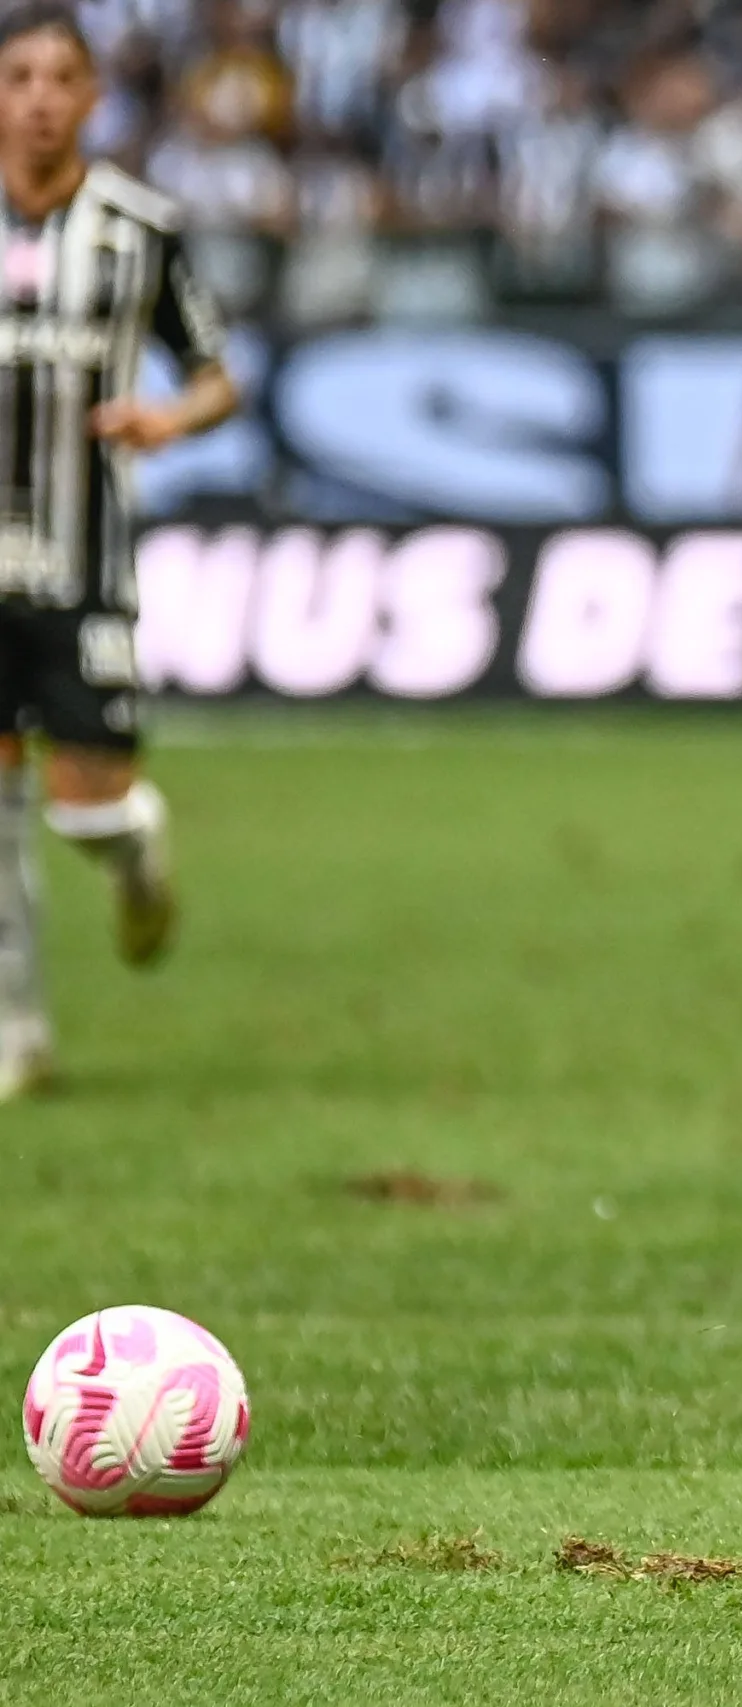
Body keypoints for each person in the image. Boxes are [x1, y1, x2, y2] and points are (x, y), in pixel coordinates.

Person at [0, 3, 239, 1101]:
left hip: (84, 564)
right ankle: (18, 1030)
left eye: (62, 79)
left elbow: (218, 374)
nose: (41, 98)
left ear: (94, 97)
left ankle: (137, 853)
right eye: (20, 78)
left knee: (84, 806)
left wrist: (167, 421)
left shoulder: (139, 227)